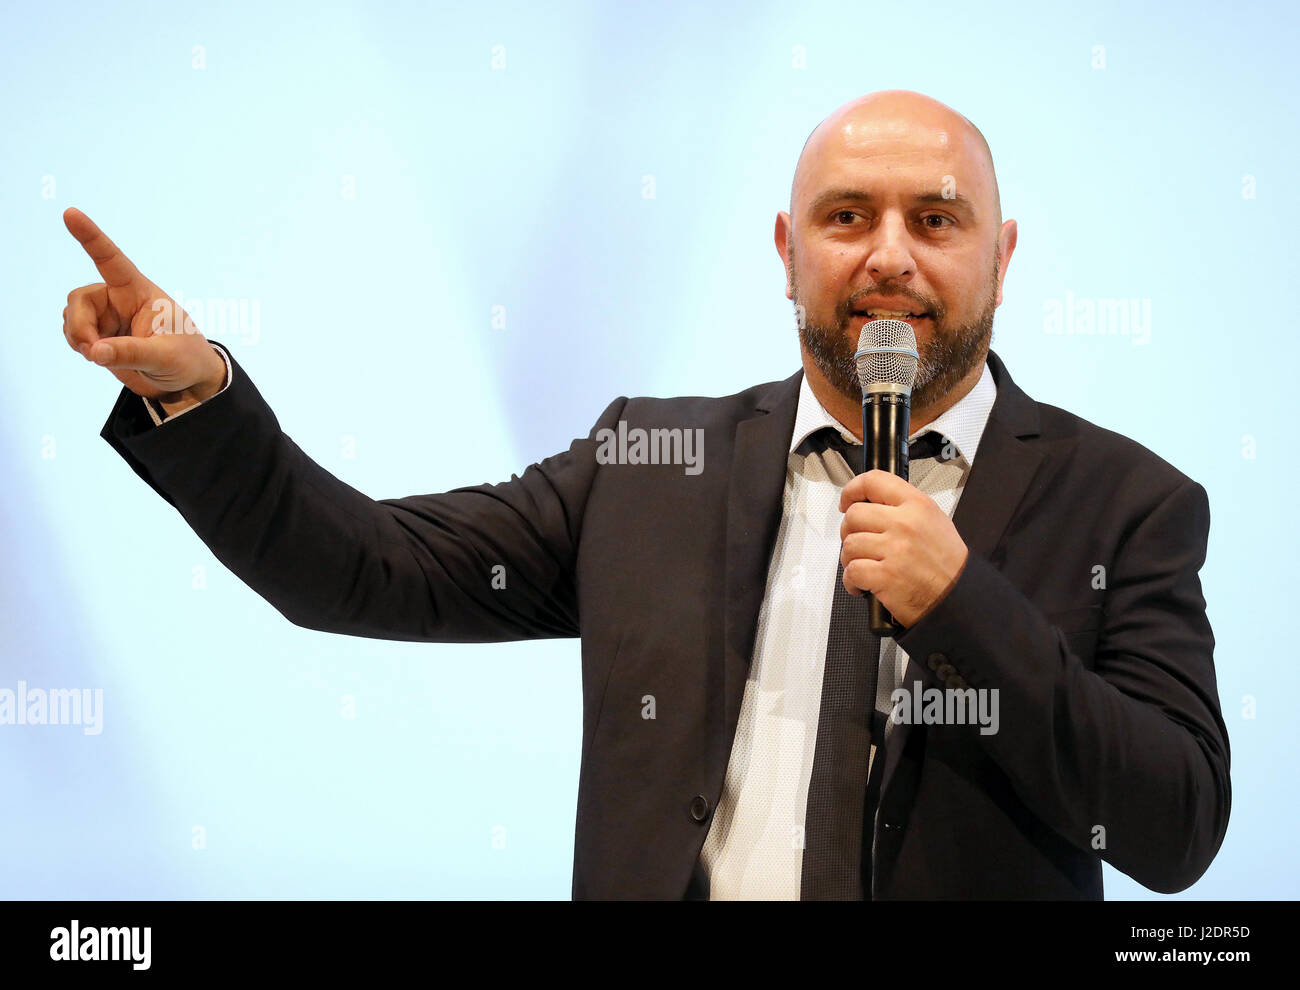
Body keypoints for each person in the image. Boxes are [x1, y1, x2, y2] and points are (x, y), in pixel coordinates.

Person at [60, 90, 1230, 900]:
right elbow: (360, 565)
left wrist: (965, 607)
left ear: (1001, 255)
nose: (887, 256)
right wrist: (202, 391)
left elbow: (1174, 828)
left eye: (933, 220)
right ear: (785, 248)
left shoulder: (1125, 502)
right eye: (845, 217)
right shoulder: (649, 464)